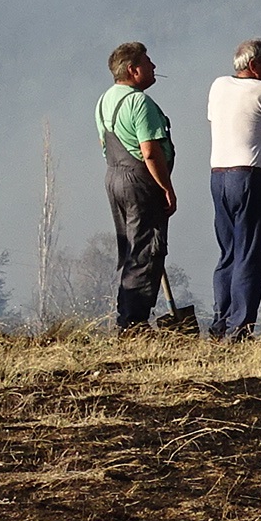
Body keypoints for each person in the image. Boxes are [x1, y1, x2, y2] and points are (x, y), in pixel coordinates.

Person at [206, 39, 261, 340]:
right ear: (254, 65)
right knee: (250, 256)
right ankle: (239, 329)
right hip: (249, 177)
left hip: (218, 177)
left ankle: (221, 323)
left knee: (228, 252)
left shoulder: (217, 86)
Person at [96, 41, 178, 334]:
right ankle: (134, 324)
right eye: (148, 63)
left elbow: (104, 143)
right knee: (148, 250)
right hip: (140, 180)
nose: (154, 67)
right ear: (133, 70)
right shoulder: (138, 103)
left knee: (130, 248)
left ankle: (126, 317)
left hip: (114, 177)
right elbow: (150, 151)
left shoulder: (104, 100)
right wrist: (166, 187)